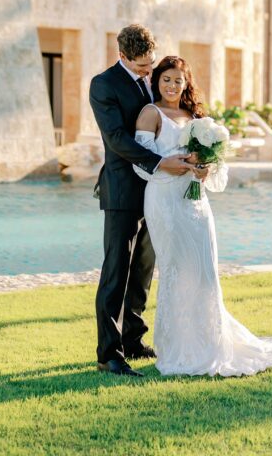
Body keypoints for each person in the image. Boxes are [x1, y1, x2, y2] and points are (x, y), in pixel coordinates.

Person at [134, 55, 272, 376]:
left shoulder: (196, 118)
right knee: (176, 266)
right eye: (167, 79)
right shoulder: (151, 113)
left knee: (204, 270)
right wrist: (176, 161)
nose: (173, 86)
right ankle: (178, 347)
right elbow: (141, 162)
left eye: (179, 80)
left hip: (196, 201)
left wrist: (204, 168)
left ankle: (209, 342)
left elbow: (217, 166)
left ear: (187, 83)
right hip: (164, 199)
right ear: (157, 81)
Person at [90, 24, 193, 377]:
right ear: (122, 57)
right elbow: (117, 138)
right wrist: (159, 162)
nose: (149, 73)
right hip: (122, 191)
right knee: (116, 271)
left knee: (143, 271)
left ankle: (134, 340)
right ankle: (109, 353)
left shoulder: (154, 77)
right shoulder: (103, 85)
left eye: (150, 65)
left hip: (158, 192)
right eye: (141, 67)